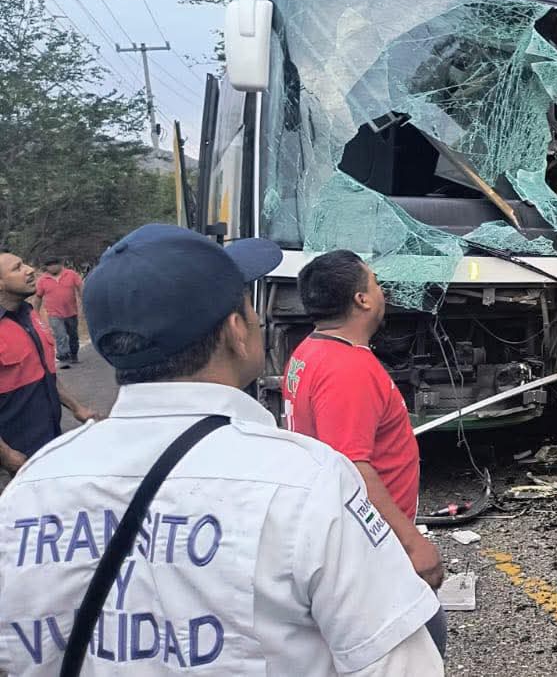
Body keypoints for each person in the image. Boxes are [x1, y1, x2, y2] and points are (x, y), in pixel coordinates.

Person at [0, 226, 444, 675]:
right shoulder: (307, 483)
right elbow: (398, 665)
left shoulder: (32, 486)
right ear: (236, 331)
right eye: (247, 306)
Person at [283, 250, 447, 649]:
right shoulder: (348, 369)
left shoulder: (311, 350)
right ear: (362, 300)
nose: (382, 290)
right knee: (421, 642)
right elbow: (353, 467)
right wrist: (413, 543)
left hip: (347, 536)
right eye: (374, 282)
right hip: (368, 544)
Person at [0, 250, 99, 475]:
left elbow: (44, 373)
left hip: (49, 439)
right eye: (17, 268)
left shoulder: (29, 315)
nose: (29, 269)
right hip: (15, 455)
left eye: (24, 263)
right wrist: (6, 456)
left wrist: (77, 407)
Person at [35, 257, 84, 369]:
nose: (52, 267)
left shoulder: (71, 274)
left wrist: (84, 302)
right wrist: (35, 313)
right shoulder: (43, 280)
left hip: (71, 311)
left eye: (54, 264)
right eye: (49, 265)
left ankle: (74, 355)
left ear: (60, 264)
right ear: (46, 267)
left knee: (73, 335)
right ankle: (64, 358)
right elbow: (38, 297)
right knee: (60, 335)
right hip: (54, 314)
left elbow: (80, 288)